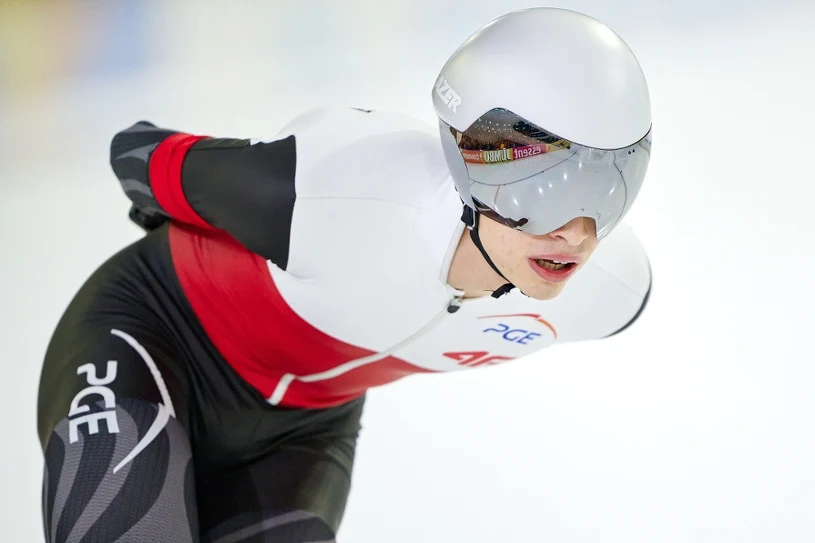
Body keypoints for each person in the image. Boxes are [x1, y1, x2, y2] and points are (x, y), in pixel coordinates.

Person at [37, 7, 653, 542]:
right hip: (155, 344)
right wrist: (182, 208)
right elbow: (137, 153)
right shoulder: (332, 193)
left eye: (610, 193)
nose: (578, 234)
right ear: (474, 168)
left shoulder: (610, 293)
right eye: (544, 190)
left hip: (301, 433)